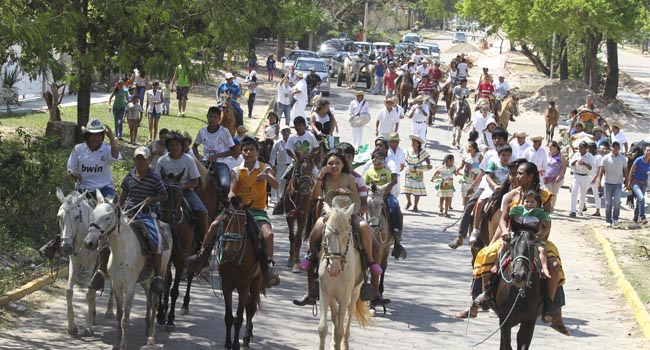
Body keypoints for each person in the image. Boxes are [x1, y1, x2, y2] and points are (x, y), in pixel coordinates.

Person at [295, 151, 387, 307]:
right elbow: (315, 195)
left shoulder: (350, 178)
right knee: (316, 230)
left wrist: (348, 192)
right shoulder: (324, 178)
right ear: (326, 165)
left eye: (337, 163)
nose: (334, 166)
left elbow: (356, 199)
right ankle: (311, 267)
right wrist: (319, 177)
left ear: (343, 164)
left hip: (347, 214)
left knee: (364, 227)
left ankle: (370, 261)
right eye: (330, 163)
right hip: (329, 214)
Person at [228, 136, 281, 288]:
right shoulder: (236, 170)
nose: (248, 152)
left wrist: (267, 177)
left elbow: (276, 185)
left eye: (252, 149)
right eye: (245, 150)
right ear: (241, 152)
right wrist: (232, 199)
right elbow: (231, 191)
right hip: (239, 210)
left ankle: (269, 266)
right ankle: (202, 255)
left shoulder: (265, 167)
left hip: (257, 211)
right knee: (215, 226)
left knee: (268, 234)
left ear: (257, 152)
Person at [119, 146, 168, 294]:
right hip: (129, 212)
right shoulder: (129, 176)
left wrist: (152, 199)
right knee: (108, 233)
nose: (140, 162)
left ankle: (158, 276)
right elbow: (123, 195)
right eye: (138, 159)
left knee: (156, 239)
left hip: (146, 214)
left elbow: (164, 195)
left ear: (148, 161)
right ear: (134, 160)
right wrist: (119, 210)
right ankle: (103, 270)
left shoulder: (155, 178)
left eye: (143, 159)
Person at [364, 149, 406, 258]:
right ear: (372, 160)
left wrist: (384, 191)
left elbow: (390, 183)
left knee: (394, 206)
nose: (378, 162)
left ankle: (396, 232)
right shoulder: (369, 171)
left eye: (381, 160)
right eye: (376, 160)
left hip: (385, 195)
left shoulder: (387, 171)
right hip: (371, 195)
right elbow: (365, 183)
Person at [192, 106, 238, 200]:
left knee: (225, 185)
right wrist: (199, 157)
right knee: (193, 182)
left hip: (221, 163)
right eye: (210, 117)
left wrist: (216, 156)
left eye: (215, 117)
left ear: (219, 118)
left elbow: (234, 150)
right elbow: (194, 146)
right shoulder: (202, 131)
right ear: (207, 117)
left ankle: (224, 205)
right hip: (205, 162)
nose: (212, 119)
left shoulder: (224, 132)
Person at [469, 144, 512, 243]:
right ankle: (475, 229)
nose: (505, 157)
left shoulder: (512, 167)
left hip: (507, 191)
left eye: (508, 155)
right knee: (480, 203)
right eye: (503, 155)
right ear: (499, 155)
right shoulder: (493, 164)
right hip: (492, 189)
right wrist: (495, 186)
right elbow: (488, 177)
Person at [67, 118, 121, 198]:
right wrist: (74, 175)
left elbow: (115, 156)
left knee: (112, 205)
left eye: (99, 135)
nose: (96, 138)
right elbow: (70, 168)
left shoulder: (106, 149)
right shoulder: (78, 149)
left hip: (104, 188)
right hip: (84, 189)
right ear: (87, 136)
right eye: (93, 135)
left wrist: (112, 139)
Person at [598, 141, 628, 227]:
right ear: (611, 148)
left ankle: (615, 218)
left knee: (617, 202)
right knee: (608, 203)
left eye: (617, 146)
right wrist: (599, 182)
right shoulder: (606, 158)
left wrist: (627, 181)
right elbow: (601, 170)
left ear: (619, 148)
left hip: (618, 184)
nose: (615, 148)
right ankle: (608, 220)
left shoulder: (623, 159)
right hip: (608, 183)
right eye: (613, 146)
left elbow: (625, 170)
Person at [403, 134, 431, 211]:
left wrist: (428, 165)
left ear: (418, 143)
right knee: (407, 188)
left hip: (418, 171)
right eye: (412, 141)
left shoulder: (422, 152)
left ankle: (415, 205)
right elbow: (402, 159)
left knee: (417, 188)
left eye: (414, 141)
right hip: (409, 170)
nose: (412, 142)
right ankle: (409, 202)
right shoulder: (407, 151)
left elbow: (428, 160)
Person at [569, 141, 594, 217]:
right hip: (576, 175)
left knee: (583, 194)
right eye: (579, 148)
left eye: (582, 148)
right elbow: (570, 164)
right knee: (574, 191)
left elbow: (591, 168)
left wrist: (584, 164)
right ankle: (573, 210)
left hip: (585, 176)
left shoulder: (589, 156)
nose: (580, 150)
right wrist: (575, 161)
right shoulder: (576, 154)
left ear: (586, 149)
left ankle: (580, 209)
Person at [626, 145, 650, 224]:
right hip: (636, 183)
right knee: (642, 198)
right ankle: (642, 217)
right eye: (647, 150)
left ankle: (635, 219)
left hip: (644, 183)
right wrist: (629, 182)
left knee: (639, 201)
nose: (648, 152)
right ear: (644, 151)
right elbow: (631, 170)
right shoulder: (638, 160)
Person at [270, 125, 292, 204]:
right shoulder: (277, 143)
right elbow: (272, 156)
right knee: (279, 184)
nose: (286, 133)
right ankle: (279, 202)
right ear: (281, 133)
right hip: (281, 166)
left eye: (287, 131)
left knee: (290, 183)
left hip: (291, 165)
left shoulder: (293, 141)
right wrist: (273, 166)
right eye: (284, 131)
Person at [543, 141, 568, 212]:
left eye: (551, 147)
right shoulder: (547, 156)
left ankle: (551, 207)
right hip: (548, 177)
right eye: (549, 147)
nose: (550, 149)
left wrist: (560, 176)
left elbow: (564, 167)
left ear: (556, 147)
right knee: (547, 193)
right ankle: (547, 206)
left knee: (553, 193)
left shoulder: (561, 156)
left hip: (556, 178)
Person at [457, 141, 483, 206]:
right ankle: (464, 206)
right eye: (468, 147)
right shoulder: (465, 156)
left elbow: (483, 166)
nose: (468, 148)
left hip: (476, 178)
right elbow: (461, 166)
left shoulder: (479, 155)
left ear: (474, 148)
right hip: (467, 178)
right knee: (465, 193)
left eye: (470, 147)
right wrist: (458, 169)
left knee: (474, 194)